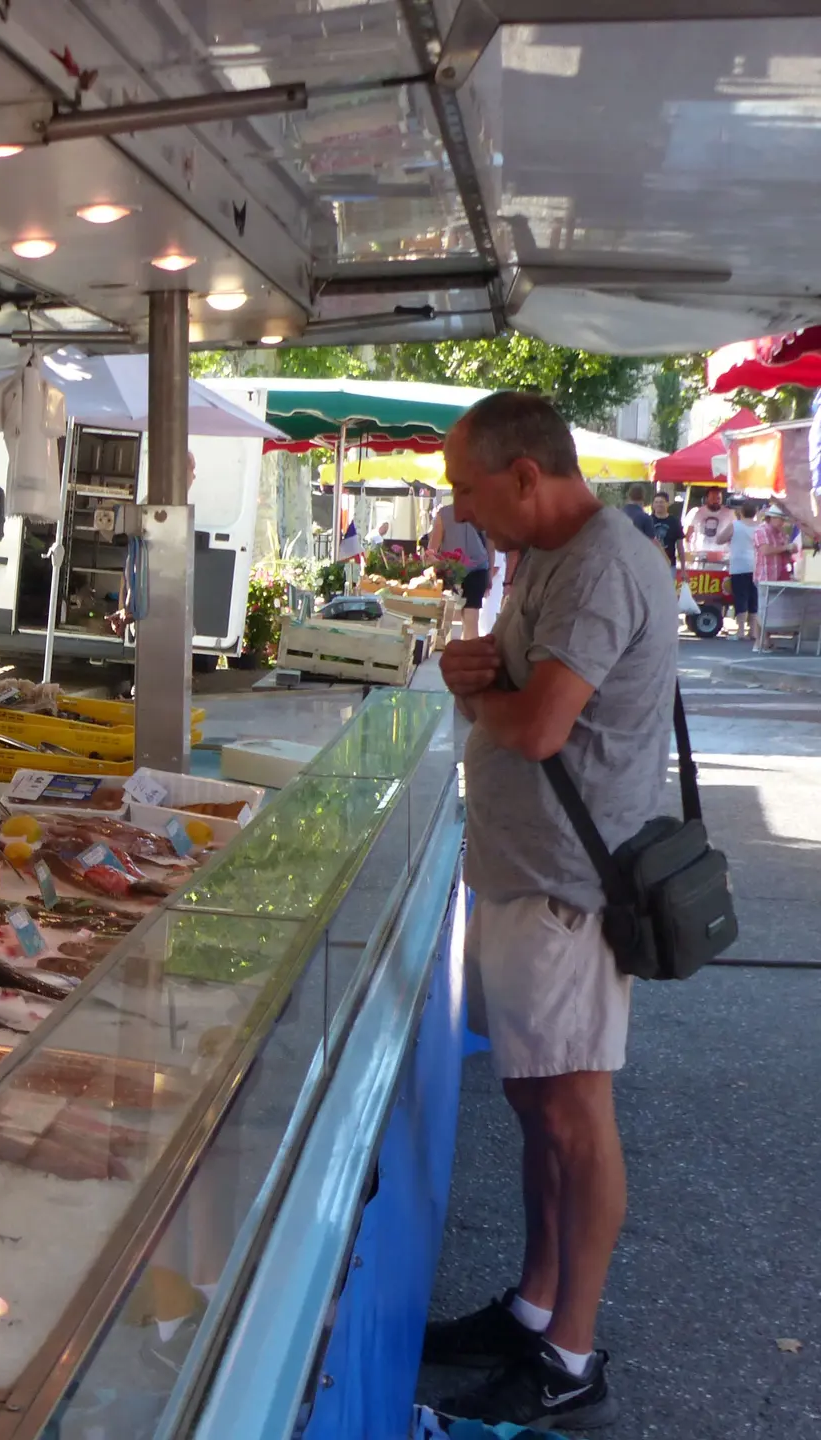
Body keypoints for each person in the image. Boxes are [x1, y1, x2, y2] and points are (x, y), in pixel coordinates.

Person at [428, 392, 676, 1432]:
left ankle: (569, 1355)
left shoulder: (603, 565)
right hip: (527, 876)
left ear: (525, 475)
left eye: (467, 488)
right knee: (540, 1109)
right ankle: (535, 1306)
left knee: (575, 1116)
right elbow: (510, 678)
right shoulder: (545, 556)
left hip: (568, 891)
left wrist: (472, 692)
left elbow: (535, 728)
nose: (460, 510)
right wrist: (473, 667)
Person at [429, 499, 495, 636]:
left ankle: (453, 645)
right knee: (470, 617)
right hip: (475, 568)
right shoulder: (484, 513)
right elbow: (490, 548)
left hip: (452, 570)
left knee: (453, 616)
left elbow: (432, 549)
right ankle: (467, 647)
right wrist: (489, 575)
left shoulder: (444, 514)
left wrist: (436, 567)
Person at [728, 500, 760, 642]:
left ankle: (740, 631)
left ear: (741, 512)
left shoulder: (735, 525)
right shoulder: (760, 526)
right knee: (754, 597)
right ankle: (752, 631)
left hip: (739, 565)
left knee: (741, 597)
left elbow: (719, 539)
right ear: (755, 512)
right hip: (756, 565)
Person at [684, 488, 733, 555]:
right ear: (707, 499)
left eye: (718, 498)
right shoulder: (698, 512)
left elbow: (735, 534)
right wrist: (688, 550)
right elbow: (689, 533)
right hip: (700, 553)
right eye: (713, 498)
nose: (716, 501)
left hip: (722, 554)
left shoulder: (729, 513)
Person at [648, 490, 684, 570]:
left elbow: (680, 547)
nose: (658, 504)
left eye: (661, 502)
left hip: (669, 565)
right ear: (653, 504)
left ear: (667, 504)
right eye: (656, 502)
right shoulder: (647, 520)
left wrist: (683, 569)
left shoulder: (675, 521)